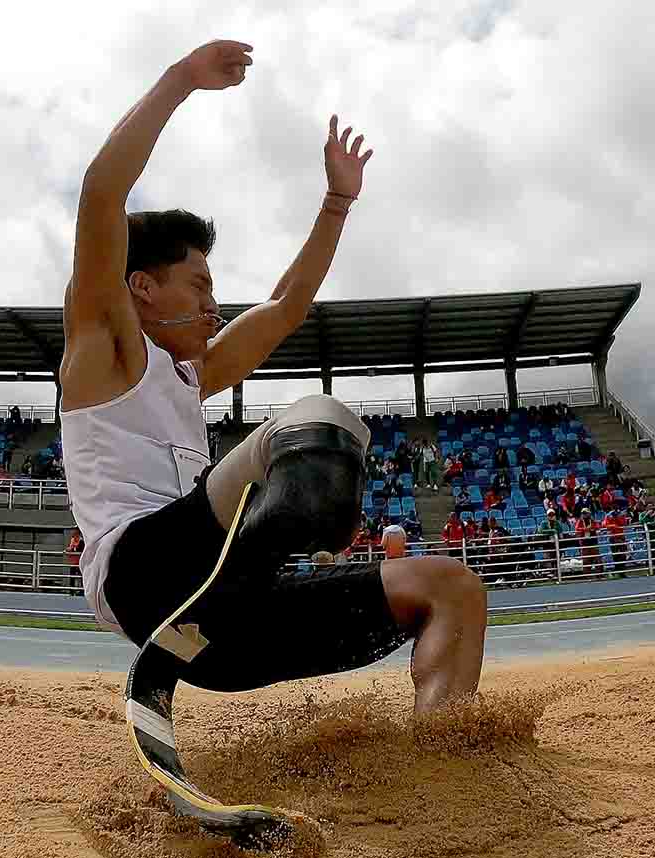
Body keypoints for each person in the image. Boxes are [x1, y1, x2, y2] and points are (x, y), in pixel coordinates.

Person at [58, 41, 486, 714]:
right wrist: (179, 79)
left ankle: (446, 755)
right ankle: (260, 552)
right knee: (316, 419)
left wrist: (337, 202)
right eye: (197, 285)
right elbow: (101, 194)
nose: (213, 305)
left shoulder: (192, 377)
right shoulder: (102, 350)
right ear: (139, 287)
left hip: (223, 631)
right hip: (142, 579)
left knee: (451, 587)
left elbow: (285, 308)